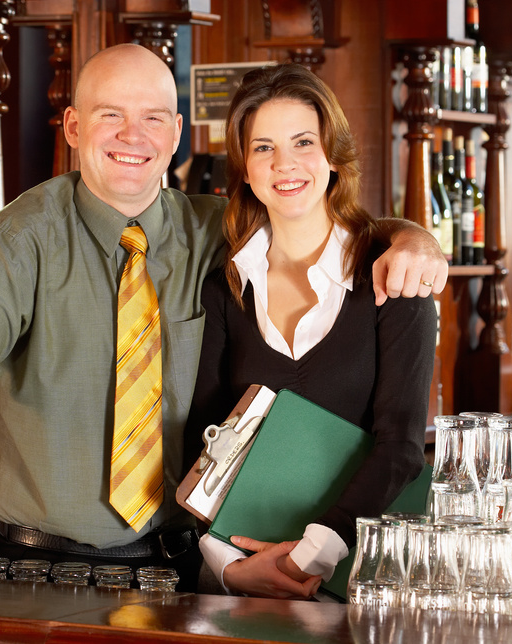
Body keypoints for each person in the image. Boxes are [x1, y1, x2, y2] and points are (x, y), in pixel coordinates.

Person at [0, 44, 446, 588]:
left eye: (152, 117)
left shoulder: (213, 233)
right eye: (112, 116)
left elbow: (309, 211)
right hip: (44, 571)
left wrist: (412, 239)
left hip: (180, 576)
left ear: (176, 134)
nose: (134, 136)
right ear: (75, 127)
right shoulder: (21, 238)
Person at [185, 64, 437, 600]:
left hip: (362, 580)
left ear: (333, 156)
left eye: (303, 141)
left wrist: (311, 553)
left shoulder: (395, 280)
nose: (285, 164)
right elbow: (202, 439)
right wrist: (229, 567)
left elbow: (402, 448)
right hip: (241, 579)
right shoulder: (224, 286)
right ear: (245, 170)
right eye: (263, 148)